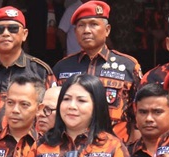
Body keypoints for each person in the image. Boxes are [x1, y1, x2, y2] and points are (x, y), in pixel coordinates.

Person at [52, 1, 142, 143]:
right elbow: (51, 112)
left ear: (107, 30)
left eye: (93, 24)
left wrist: (131, 150)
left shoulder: (128, 66)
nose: (86, 30)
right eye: (81, 25)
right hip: (70, 149)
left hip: (115, 148)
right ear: (75, 32)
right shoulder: (62, 67)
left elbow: (139, 116)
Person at [0, 6, 55, 133]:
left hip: (29, 144)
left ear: (24, 34)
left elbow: (52, 115)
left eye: (13, 28)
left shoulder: (41, 72)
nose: (6, 33)